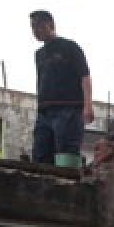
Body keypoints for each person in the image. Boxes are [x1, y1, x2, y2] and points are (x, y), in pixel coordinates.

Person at [29, 10, 93, 165]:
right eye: (33, 27)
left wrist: (88, 106)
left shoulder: (69, 47)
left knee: (66, 157)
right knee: (40, 156)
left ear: (51, 25)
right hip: (44, 113)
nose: (36, 30)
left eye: (39, 26)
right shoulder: (39, 54)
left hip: (68, 110)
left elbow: (85, 76)